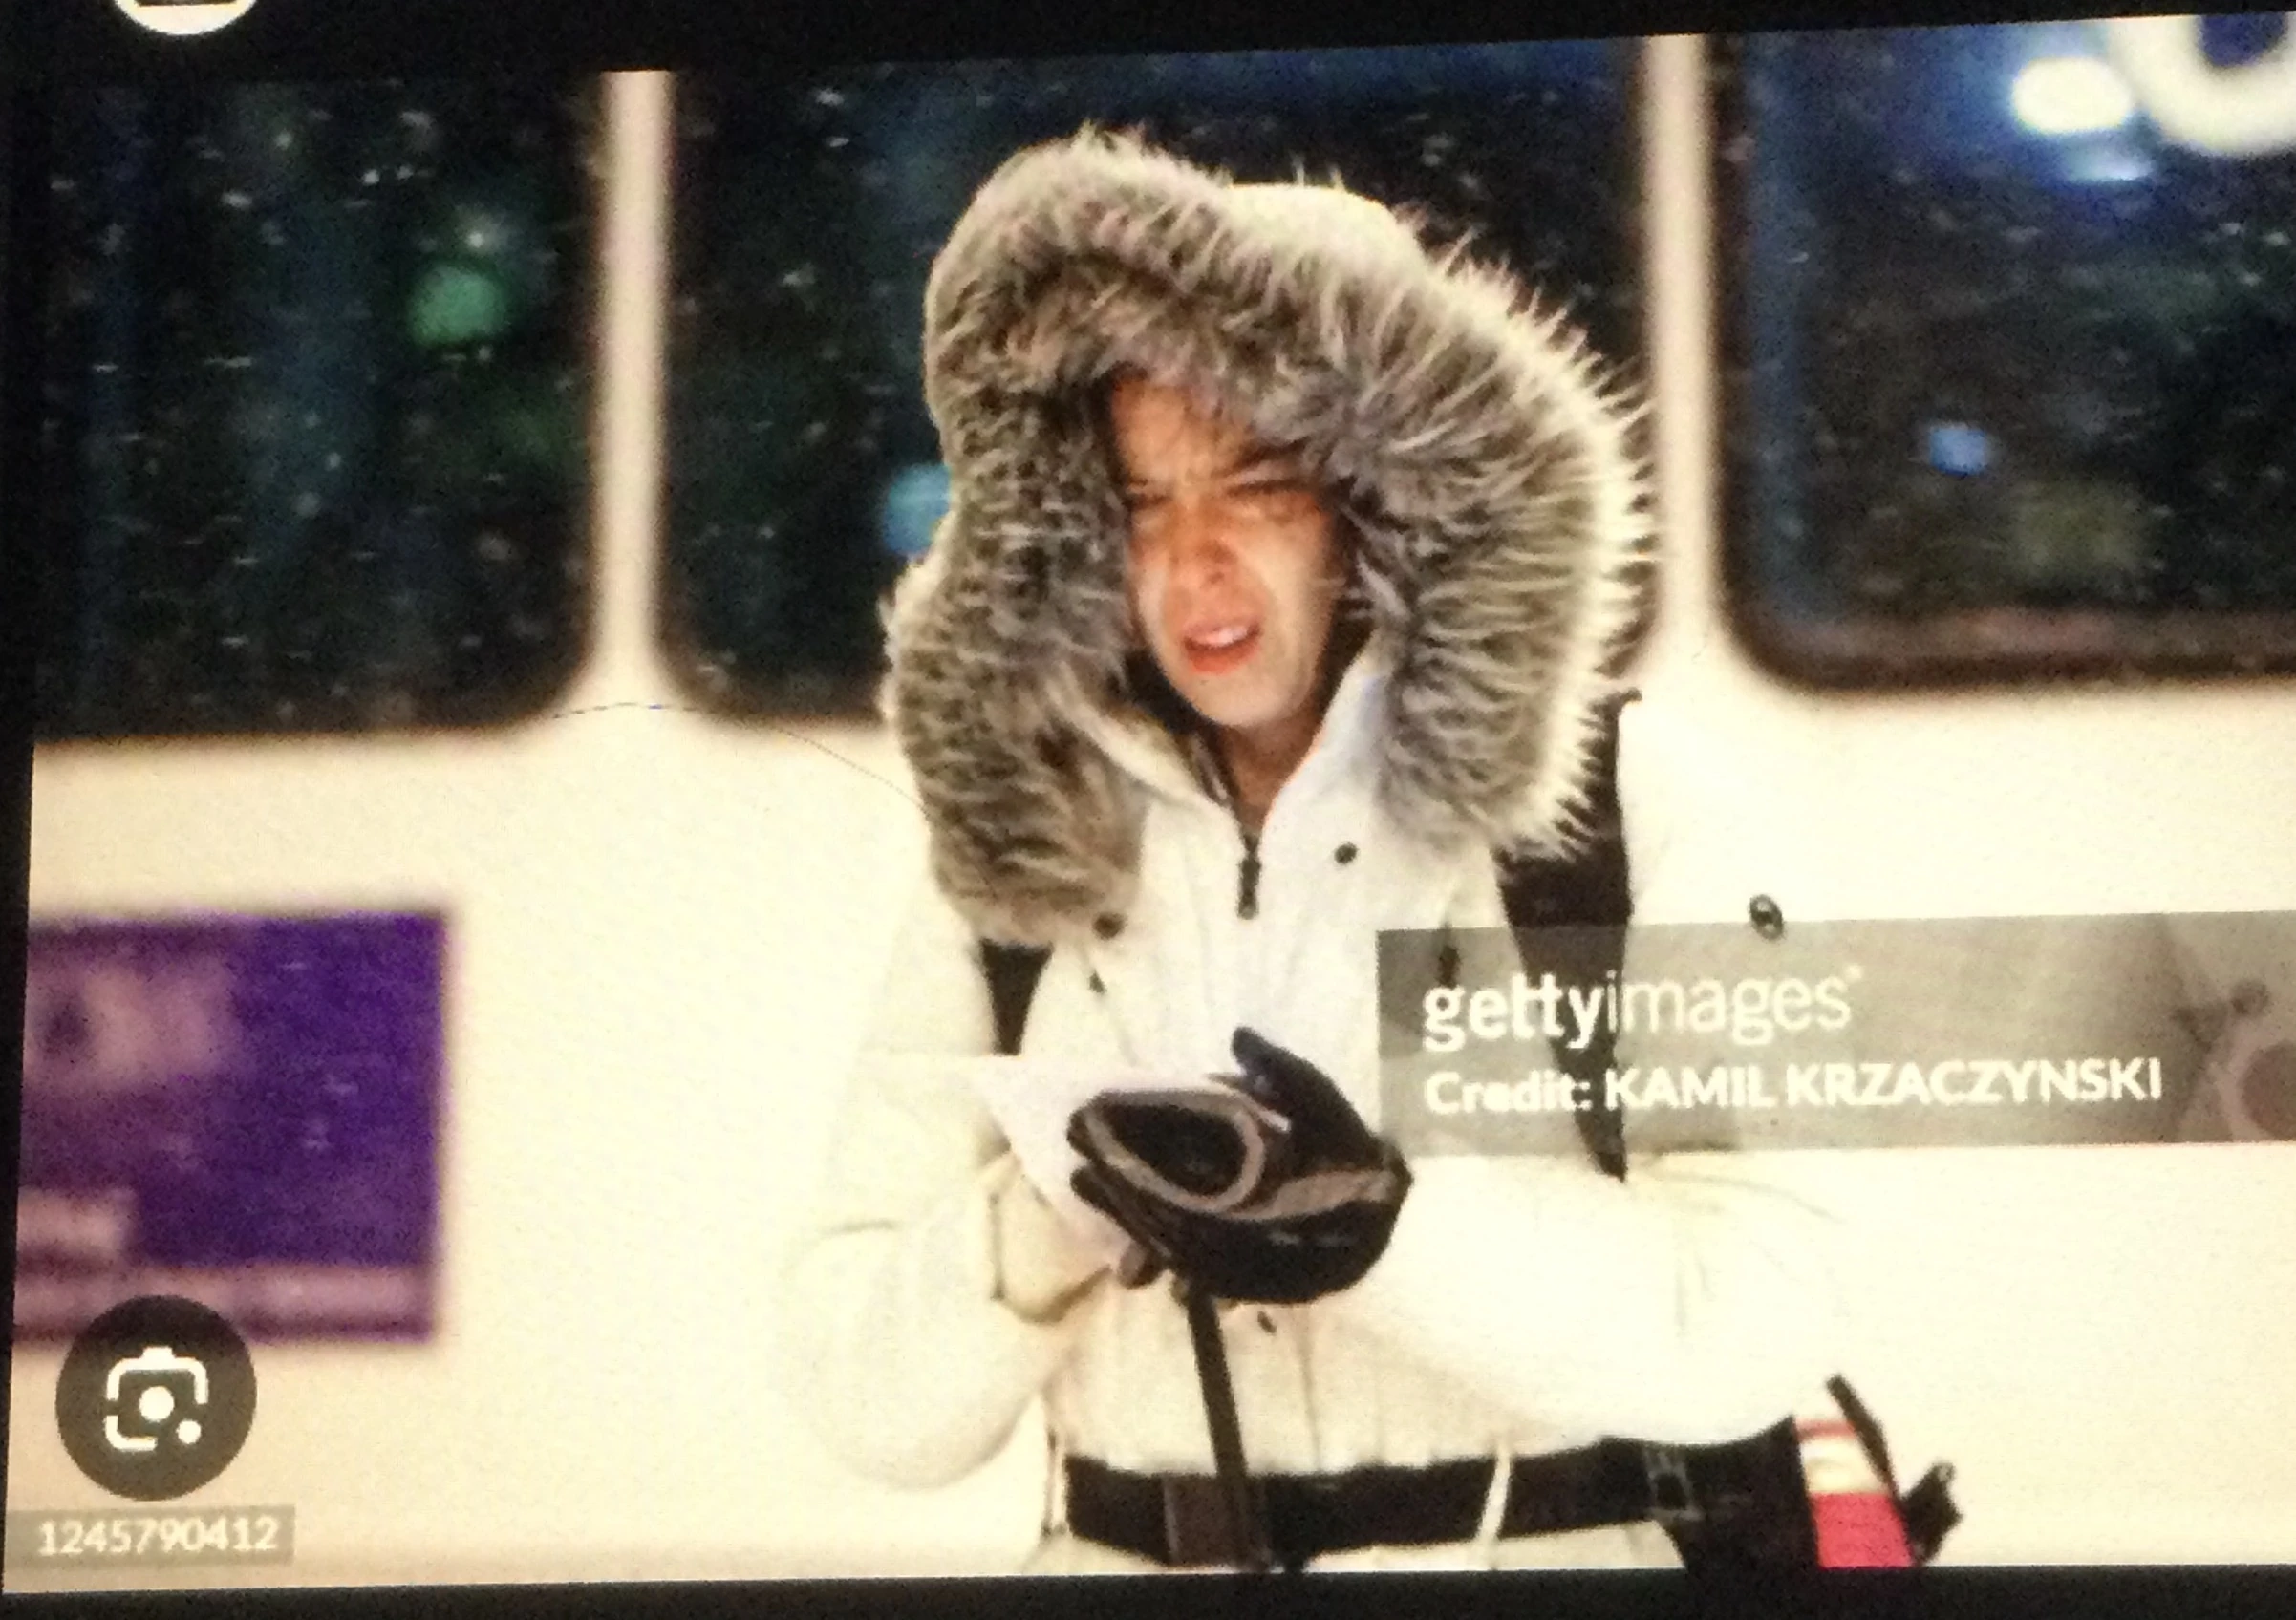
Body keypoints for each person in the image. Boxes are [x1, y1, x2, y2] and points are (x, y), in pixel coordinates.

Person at [780, 130, 1845, 1572]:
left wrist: (1387, 1236)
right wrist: (1051, 1215)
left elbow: (1760, 1314)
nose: (1193, 560)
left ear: (1379, 498)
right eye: (1143, 500)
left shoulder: (1612, 810)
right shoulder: (1026, 846)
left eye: (1257, 484)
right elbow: (862, 1397)